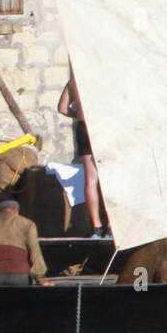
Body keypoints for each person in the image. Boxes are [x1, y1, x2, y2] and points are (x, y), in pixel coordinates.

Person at [58, 72, 105, 237]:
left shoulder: (73, 81)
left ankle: (97, 227)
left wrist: (76, 114)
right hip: (100, 126)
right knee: (109, 175)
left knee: (91, 179)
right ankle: (112, 223)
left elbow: (62, 108)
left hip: (83, 126)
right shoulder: (101, 75)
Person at [0, 198, 50, 286]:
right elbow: (35, 253)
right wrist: (41, 279)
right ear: (16, 210)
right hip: (19, 276)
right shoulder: (27, 224)